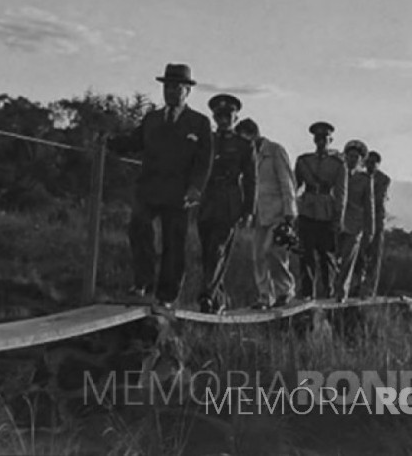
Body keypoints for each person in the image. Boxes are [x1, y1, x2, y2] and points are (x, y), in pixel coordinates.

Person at [106, 63, 213, 309]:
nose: (170, 92)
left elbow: (204, 160)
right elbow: (134, 141)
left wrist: (195, 188)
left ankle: (167, 295)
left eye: (177, 87)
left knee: (174, 243)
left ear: (187, 91)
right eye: (167, 87)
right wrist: (110, 142)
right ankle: (142, 281)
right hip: (150, 188)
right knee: (138, 227)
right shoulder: (152, 119)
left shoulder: (199, 123)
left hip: (179, 193)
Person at [196, 94, 256, 314]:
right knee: (207, 252)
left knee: (218, 249)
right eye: (219, 116)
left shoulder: (243, 145)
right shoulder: (206, 141)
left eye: (227, 116)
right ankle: (218, 299)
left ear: (236, 116)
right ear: (214, 116)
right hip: (206, 198)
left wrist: (249, 210)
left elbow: (251, 179)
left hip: (229, 201)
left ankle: (206, 296)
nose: (223, 120)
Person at [235, 118, 297, 310]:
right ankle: (264, 296)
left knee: (276, 253)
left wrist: (290, 212)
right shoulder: (246, 155)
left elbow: (287, 181)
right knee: (258, 256)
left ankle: (284, 290)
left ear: (254, 134)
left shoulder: (275, 151)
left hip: (277, 211)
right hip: (257, 212)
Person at [294, 122, 347, 300]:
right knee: (305, 254)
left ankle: (328, 290)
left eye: (324, 138)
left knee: (327, 256)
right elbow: (295, 186)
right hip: (307, 210)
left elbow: (341, 194)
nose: (321, 142)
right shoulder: (303, 161)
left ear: (330, 140)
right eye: (318, 138)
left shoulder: (338, 165)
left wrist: (338, 218)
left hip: (326, 212)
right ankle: (307, 293)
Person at [336, 139, 371, 302]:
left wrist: (369, 230)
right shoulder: (338, 173)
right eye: (349, 156)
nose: (352, 159)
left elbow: (369, 206)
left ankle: (342, 293)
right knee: (333, 259)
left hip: (354, 224)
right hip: (336, 222)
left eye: (356, 157)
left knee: (348, 260)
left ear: (361, 160)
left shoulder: (364, 179)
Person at [362, 150, 390, 297]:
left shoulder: (383, 179)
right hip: (361, 220)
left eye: (373, 163)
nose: (370, 165)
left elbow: (378, 200)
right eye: (368, 162)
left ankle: (370, 289)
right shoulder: (360, 177)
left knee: (374, 255)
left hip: (377, 221)